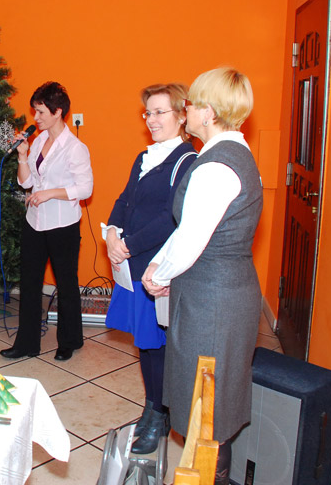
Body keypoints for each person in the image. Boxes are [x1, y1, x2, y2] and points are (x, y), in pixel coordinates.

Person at [142, 67, 261, 484]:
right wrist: (162, 264)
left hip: (214, 302)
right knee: (211, 403)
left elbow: (192, 238)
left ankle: (210, 478)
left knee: (208, 406)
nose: (186, 109)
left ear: (208, 112)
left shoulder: (215, 167)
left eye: (190, 104)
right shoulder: (232, 153)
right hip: (220, 292)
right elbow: (193, 229)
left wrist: (160, 274)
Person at [104, 83, 197, 454]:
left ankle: (160, 414)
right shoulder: (144, 157)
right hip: (134, 264)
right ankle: (151, 407)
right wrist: (112, 232)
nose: (152, 120)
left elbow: (171, 218)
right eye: (148, 113)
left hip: (157, 269)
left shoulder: (187, 161)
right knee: (144, 344)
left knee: (157, 345)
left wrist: (127, 245)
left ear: (182, 116)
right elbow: (124, 199)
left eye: (160, 112)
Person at [0, 82, 93, 362]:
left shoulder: (75, 148)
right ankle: (26, 343)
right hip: (35, 222)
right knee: (29, 283)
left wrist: (50, 193)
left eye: (40, 112)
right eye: (35, 111)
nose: (35, 117)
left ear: (58, 112)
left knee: (66, 284)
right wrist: (22, 156)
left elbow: (85, 189)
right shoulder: (38, 142)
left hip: (63, 224)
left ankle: (70, 340)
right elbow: (26, 182)